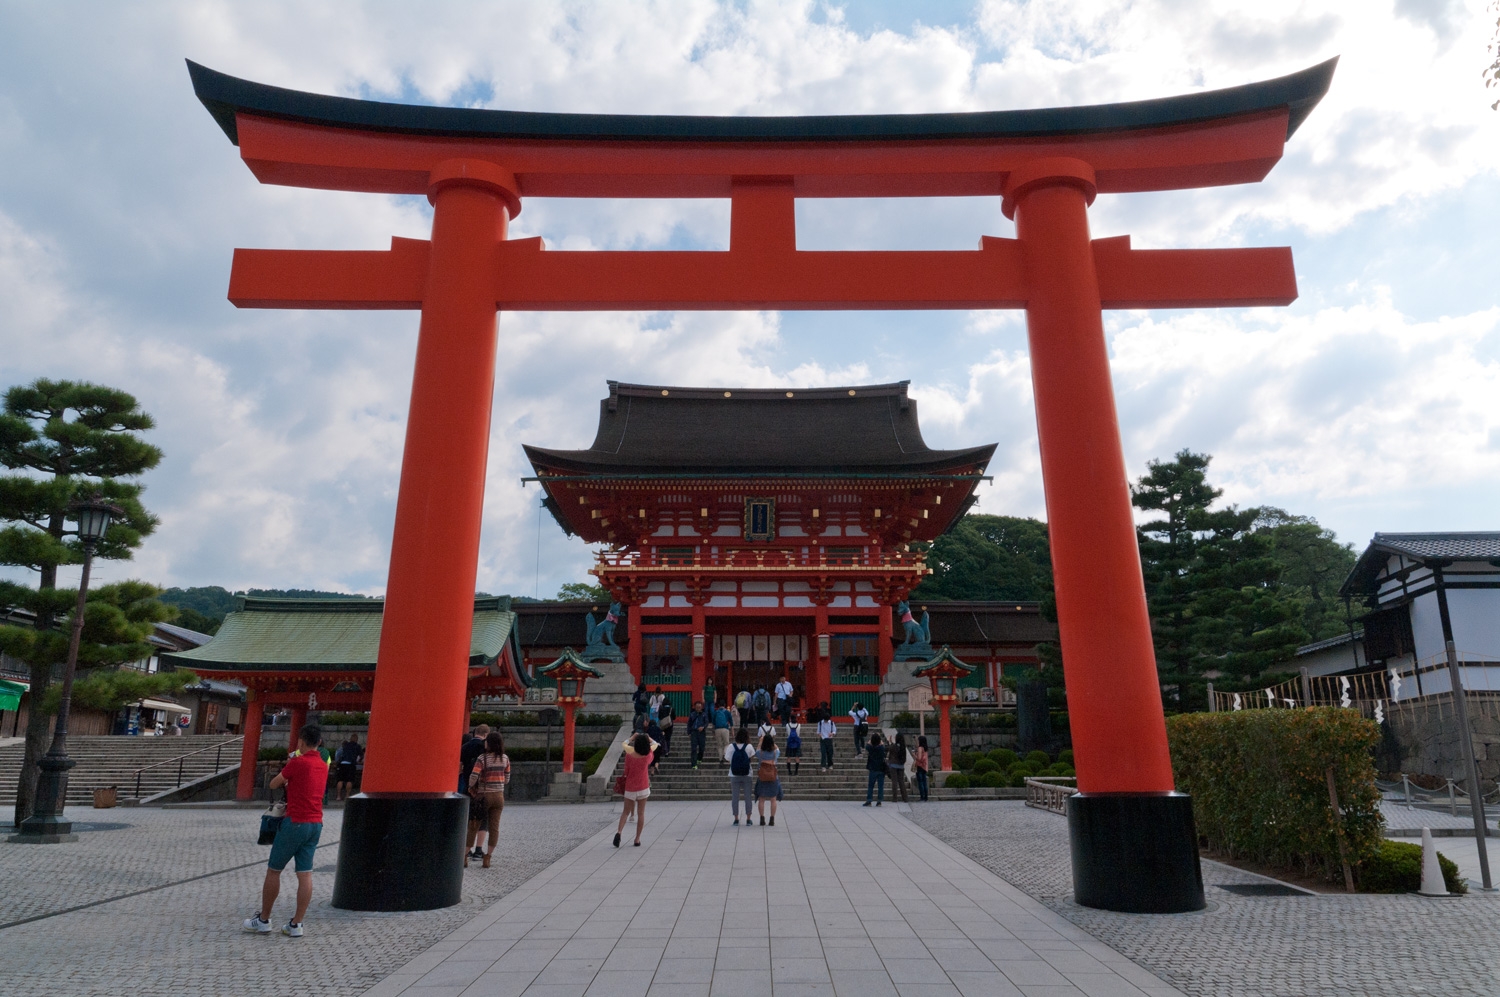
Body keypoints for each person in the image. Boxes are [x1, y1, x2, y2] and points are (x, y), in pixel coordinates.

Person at [244, 724, 327, 937]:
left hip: (295, 822)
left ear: (301, 741)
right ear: (319, 742)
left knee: (274, 870)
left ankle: (264, 920)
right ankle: (296, 924)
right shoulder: (322, 765)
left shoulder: (298, 762)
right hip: (315, 824)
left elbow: (274, 783)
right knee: (305, 873)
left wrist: (290, 769)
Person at [464, 731, 510, 868]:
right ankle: (487, 857)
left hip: (484, 796)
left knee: (474, 826)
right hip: (499, 796)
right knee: (494, 828)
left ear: (488, 743)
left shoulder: (482, 758)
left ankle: (464, 856)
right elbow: (507, 779)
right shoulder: (505, 758)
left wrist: (470, 786)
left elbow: (474, 775)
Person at [615, 732, 657, 847]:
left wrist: (632, 738)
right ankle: (637, 839)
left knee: (625, 812)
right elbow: (655, 744)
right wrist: (649, 738)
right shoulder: (647, 756)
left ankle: (619, 832)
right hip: (643, 786)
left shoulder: (629, 756)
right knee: (641, 813)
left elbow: (626, 771)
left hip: (630, 787)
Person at [459, 724, 491, 860]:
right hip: (482, 787)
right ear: (486, 735)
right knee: (483, 818)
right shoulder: (485, 749)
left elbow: (460, 766)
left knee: (469, 818)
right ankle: (478, 849)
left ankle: (466, 849)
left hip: (467, 785)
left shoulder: (464, 747)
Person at [725, 728, 755, 826]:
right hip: (747, 774)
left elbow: (727, 758)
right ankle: (748, 819)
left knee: (735, 797)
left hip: (734, 774)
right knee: (748, 797)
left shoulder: (731, 746)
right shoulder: (749, 746)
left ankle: (736, 818)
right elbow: (752, 757)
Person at [755, 733, 782, 826]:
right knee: (773, 799)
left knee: (761, 798)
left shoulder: (760, 753)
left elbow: (756, 750)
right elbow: (778, 749)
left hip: (762, 777)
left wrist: (760, 741)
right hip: (773, 777)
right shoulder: (775, 753)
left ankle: (762, 818)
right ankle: (772, 819)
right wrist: (772, 742)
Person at [334, 735, 363, 801]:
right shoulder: (357, 746)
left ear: (350, 739)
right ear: (356, 740)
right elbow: (361, 755)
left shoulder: (345, 745)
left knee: (340, 780)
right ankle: (347, 795)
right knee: (349, 780)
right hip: (351, 764)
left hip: (342, 764)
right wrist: (358, 761)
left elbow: (339, 754)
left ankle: (338, 796)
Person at [863, 731, 887, 807]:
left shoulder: (870, 748)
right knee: (880, 786)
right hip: (881, 769)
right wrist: (879, 738)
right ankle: (879, 801)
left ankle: (869, 800)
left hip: (873, 768)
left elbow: (868, 744)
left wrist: (872, 738)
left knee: (871, 785)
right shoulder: (881, 748)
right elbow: (882, 744)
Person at [887, 732, 910, 804]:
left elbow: (889, 749)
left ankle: (895, 798)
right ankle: (905, 798)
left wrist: (889, 742)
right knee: (901, 782)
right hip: (901, 766)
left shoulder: (894, 746)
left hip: (893, 765)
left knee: (894, 782)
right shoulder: (903, 747)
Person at [687, 701, 709, 769]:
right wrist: (689, 733)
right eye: (697, 707)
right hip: (694, 732)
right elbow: (689, 724)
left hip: (701, 733)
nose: (698, 708)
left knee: (702, 748)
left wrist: (703, 727)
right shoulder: (692, 714)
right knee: (693, 749)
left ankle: (699, 758)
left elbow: (706, 722)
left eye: (699, 707)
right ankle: (694, 764)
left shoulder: (704, 715)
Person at [913, 735, 931, 801]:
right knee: (924, 782)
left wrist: (914, 755)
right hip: (924, 766)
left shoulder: (920, 748)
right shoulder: (925, 748)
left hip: (920, 766)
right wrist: (915, 739)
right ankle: (926, 796)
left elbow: (919, 758)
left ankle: (922, 796)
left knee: (920, 782)